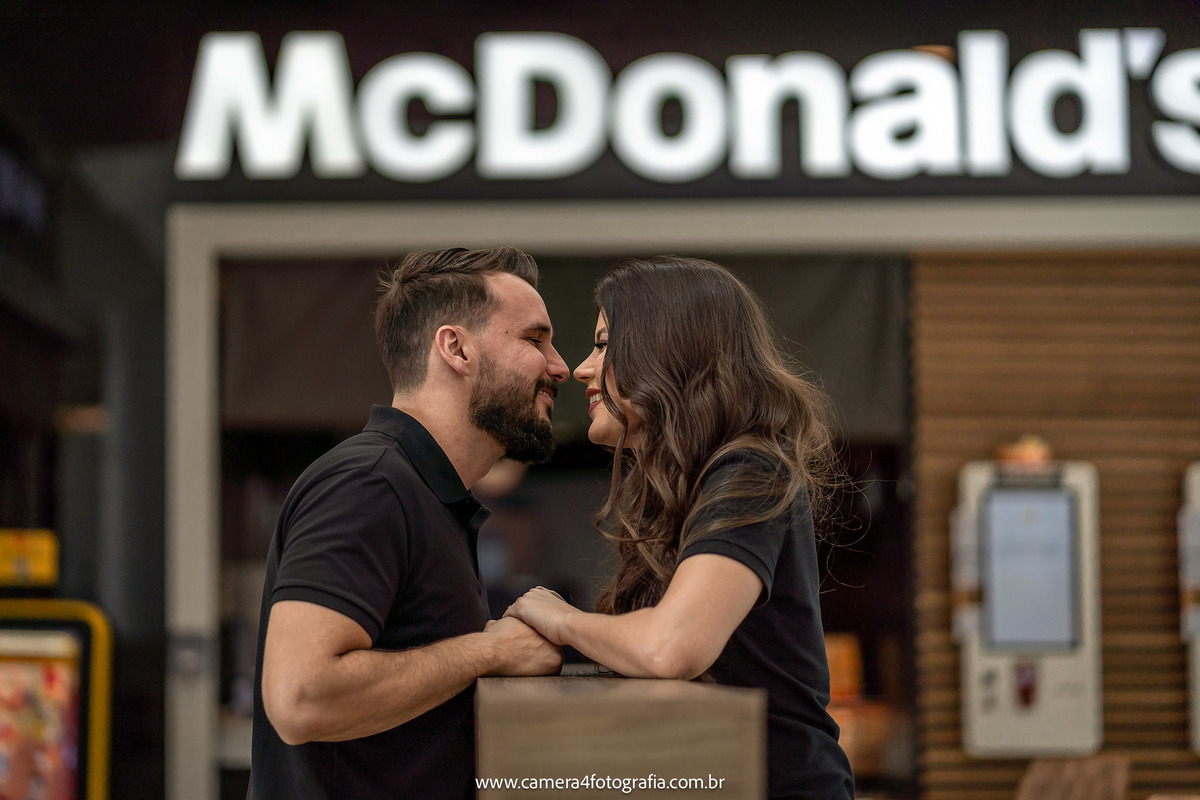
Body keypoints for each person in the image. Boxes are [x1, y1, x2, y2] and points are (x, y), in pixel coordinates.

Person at [504, 256, 855, 800]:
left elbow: (671, 648)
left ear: (665, 352)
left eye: (603, 345)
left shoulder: (749, 468)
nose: (582, 369)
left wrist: (561, 619)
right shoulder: (682, 485)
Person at [249, 246, 568, 800]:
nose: (560, 366)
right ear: (456, 349)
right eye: (534, 339)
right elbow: (302, 698)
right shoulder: (369, 483)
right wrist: (492, 651)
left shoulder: (421, 492)